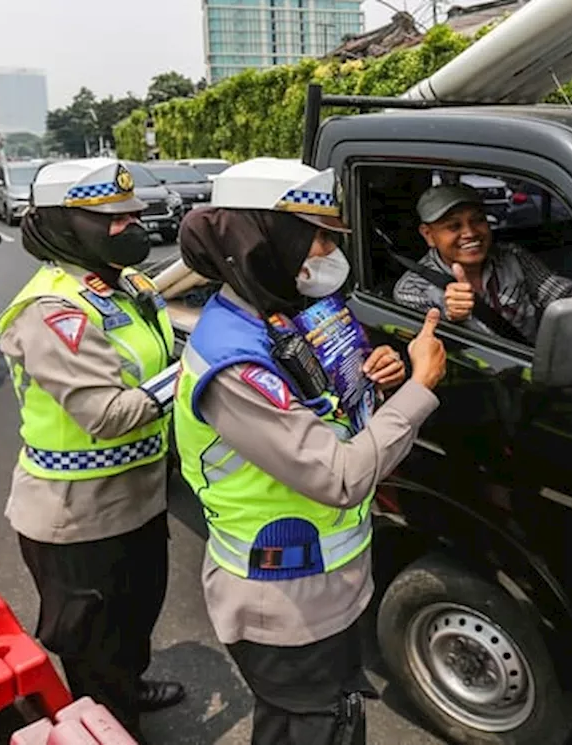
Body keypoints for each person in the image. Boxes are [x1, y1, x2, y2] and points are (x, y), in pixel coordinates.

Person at [174, 157, 448, 745]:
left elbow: (325, 407)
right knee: (308, 728)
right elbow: (340, 475)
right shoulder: (235, 361)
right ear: (265, 238)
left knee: (336, 717)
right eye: (316, 236)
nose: (327, 252)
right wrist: (421, 388)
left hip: (329, 584)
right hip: (284, 603)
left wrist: (378, 376)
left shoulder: (280, 315)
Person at [0, 158, 185, 742]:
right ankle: (107, 722)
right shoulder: (51, 310)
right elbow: (106, 414)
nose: (131, 225)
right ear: (63, 225)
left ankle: (127, 687)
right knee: (94, 641)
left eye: (132, 213)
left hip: (139, 498)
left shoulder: (123, 285)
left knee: (135, 616)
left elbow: (164, 310)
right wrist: (193, 374)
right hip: (76, 514)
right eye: (113, 218)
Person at [393, 183, 572, 342]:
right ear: (428, 235)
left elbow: (555, 291)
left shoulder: (511, 256)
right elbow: (430, 356)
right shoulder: (411, 290)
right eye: (454, 226)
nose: (470, 233)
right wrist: (452, 319)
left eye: (478, 220)